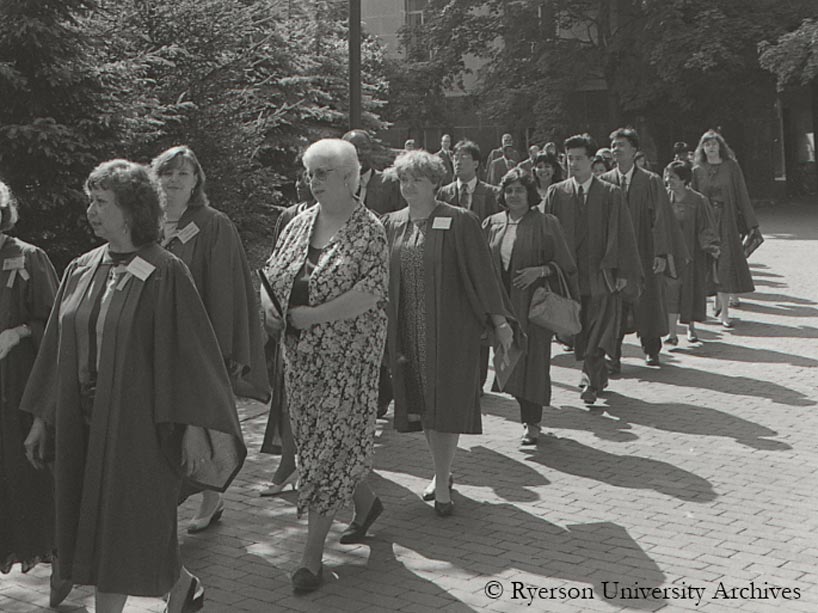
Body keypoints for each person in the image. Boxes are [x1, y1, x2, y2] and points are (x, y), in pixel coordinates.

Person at [21, 160, 245, 613]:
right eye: (91, 201)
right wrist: (43, 417)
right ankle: (180, 587)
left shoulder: (166, 272)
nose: (91, 211)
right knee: (110, 521)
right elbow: (55, 349)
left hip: (138, 424)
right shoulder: (81, 269)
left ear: (131, 209)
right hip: (81, 423)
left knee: (125, 521)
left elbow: (192, 356)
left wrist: (194, 427)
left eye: (102, 202)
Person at [262, 138, 388, 593]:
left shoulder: (368, 229)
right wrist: (269, 309)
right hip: (300, 359)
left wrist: (312, 316)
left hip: (348, 360)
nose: (313, 182)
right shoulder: (298, 224)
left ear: (350, 178)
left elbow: (371, 291)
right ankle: (366, 502)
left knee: (324, 451)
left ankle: (310, 559)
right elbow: (272, 272)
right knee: (320, 443)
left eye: (323, 174)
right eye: (310, 173)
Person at [382, 150, 515, 515]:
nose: (408, 187)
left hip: (451, 330)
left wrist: (500, 323)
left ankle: (442, 481)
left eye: (417, 180)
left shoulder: (459, 221)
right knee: (424, 405)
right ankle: (442, 470)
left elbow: (482, 275)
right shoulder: (391, 223)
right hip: (407, 331)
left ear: (435, 183)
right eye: (404, 180)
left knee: (448, 404)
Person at [151, 145, 269, 534]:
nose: (173, 180)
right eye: (167, 172)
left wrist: (222, 350)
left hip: (199, 344)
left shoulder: (213, 224)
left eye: (183, 174)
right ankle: (166, 496)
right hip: (157, 343)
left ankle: (212, 498)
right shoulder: (147, 222)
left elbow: (226, 290)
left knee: (205, 420)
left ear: (196, 181)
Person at [0, 181, 68, 606]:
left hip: (18, 396)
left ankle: (63, 561)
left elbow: (59, 324)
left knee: (29, 484)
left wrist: (18, 332)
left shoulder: (28, 258)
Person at [544, 134, 642, 405]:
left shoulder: (610, 193)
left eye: (578, 159)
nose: (572, 164)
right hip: (570, 276)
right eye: (568, 158)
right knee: (579, 329)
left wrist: (622, 271)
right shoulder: (557, 193)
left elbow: (624, 234)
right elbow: (547, 235)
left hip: (602, 273)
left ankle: (588, 378)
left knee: (600, 327)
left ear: (591, 161)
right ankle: (597, 377)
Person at [483, 169, 578, 445]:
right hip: (504, 305)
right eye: (509, 190)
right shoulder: (492, 223)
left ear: (530, 194)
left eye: (519, 190)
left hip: (534, 306)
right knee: (509, 360)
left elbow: (566, 264)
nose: (513, 195)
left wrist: (541, 270)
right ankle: (525, 412)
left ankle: (532, 422)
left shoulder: (546, 223)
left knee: (534, 363)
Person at [601, 128, 682, 369]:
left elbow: (661, 218)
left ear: (634, 150)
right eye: (614, 145)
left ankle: (651, 348)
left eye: (621, 145)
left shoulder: (651, 181)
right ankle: (613, 355)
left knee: (648, 300)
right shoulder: (604, 181)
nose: (616, 149)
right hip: (616, 252)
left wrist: (661, 253)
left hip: (644, 249)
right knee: (614, 303)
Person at [259, 170, 315, 497]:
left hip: (324, 324)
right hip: (288, 322)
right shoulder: (289, 217)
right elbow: (273, 266)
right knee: (286, 397)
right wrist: (268, 306)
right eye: (300, 177)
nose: (301, 183)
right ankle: (288, 462)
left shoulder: (353, 219)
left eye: (309, 177)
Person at [690, 130, 760, 327]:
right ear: (702, 148)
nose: (711, 147)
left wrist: (750, 223)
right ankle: (715, 301)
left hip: (727, 222)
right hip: (706, 223)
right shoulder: (697, 170)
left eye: (714, 143)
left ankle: (725, 314)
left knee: (725, 265)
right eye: (707, 144)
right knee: (708, 264)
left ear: (720, 146)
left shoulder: (731, 167)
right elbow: (693, 198)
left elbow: (741, 194)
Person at [664, 161, 721, 343]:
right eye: (667, 176)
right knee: (671, 293)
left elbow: (706, 226)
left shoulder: (698, 201)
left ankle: (691, 328)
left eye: (672, 177)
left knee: (690, 292)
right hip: (671, 255)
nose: (668, 180)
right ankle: (672, 334)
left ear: (683, 179)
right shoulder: (664, 198)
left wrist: (711, 246)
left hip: (692, 254)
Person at [343, 129, 406, 216]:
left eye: (364, 147)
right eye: (353, 148)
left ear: (371, 150)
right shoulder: (335, 185)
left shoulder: (390, 183)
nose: (359, 153)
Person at [437, 139, 500, 222]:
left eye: (463, 157)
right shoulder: (444, 194)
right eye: (455, 158)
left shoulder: (491, 193)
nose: (458, 162)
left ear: (475, 164)